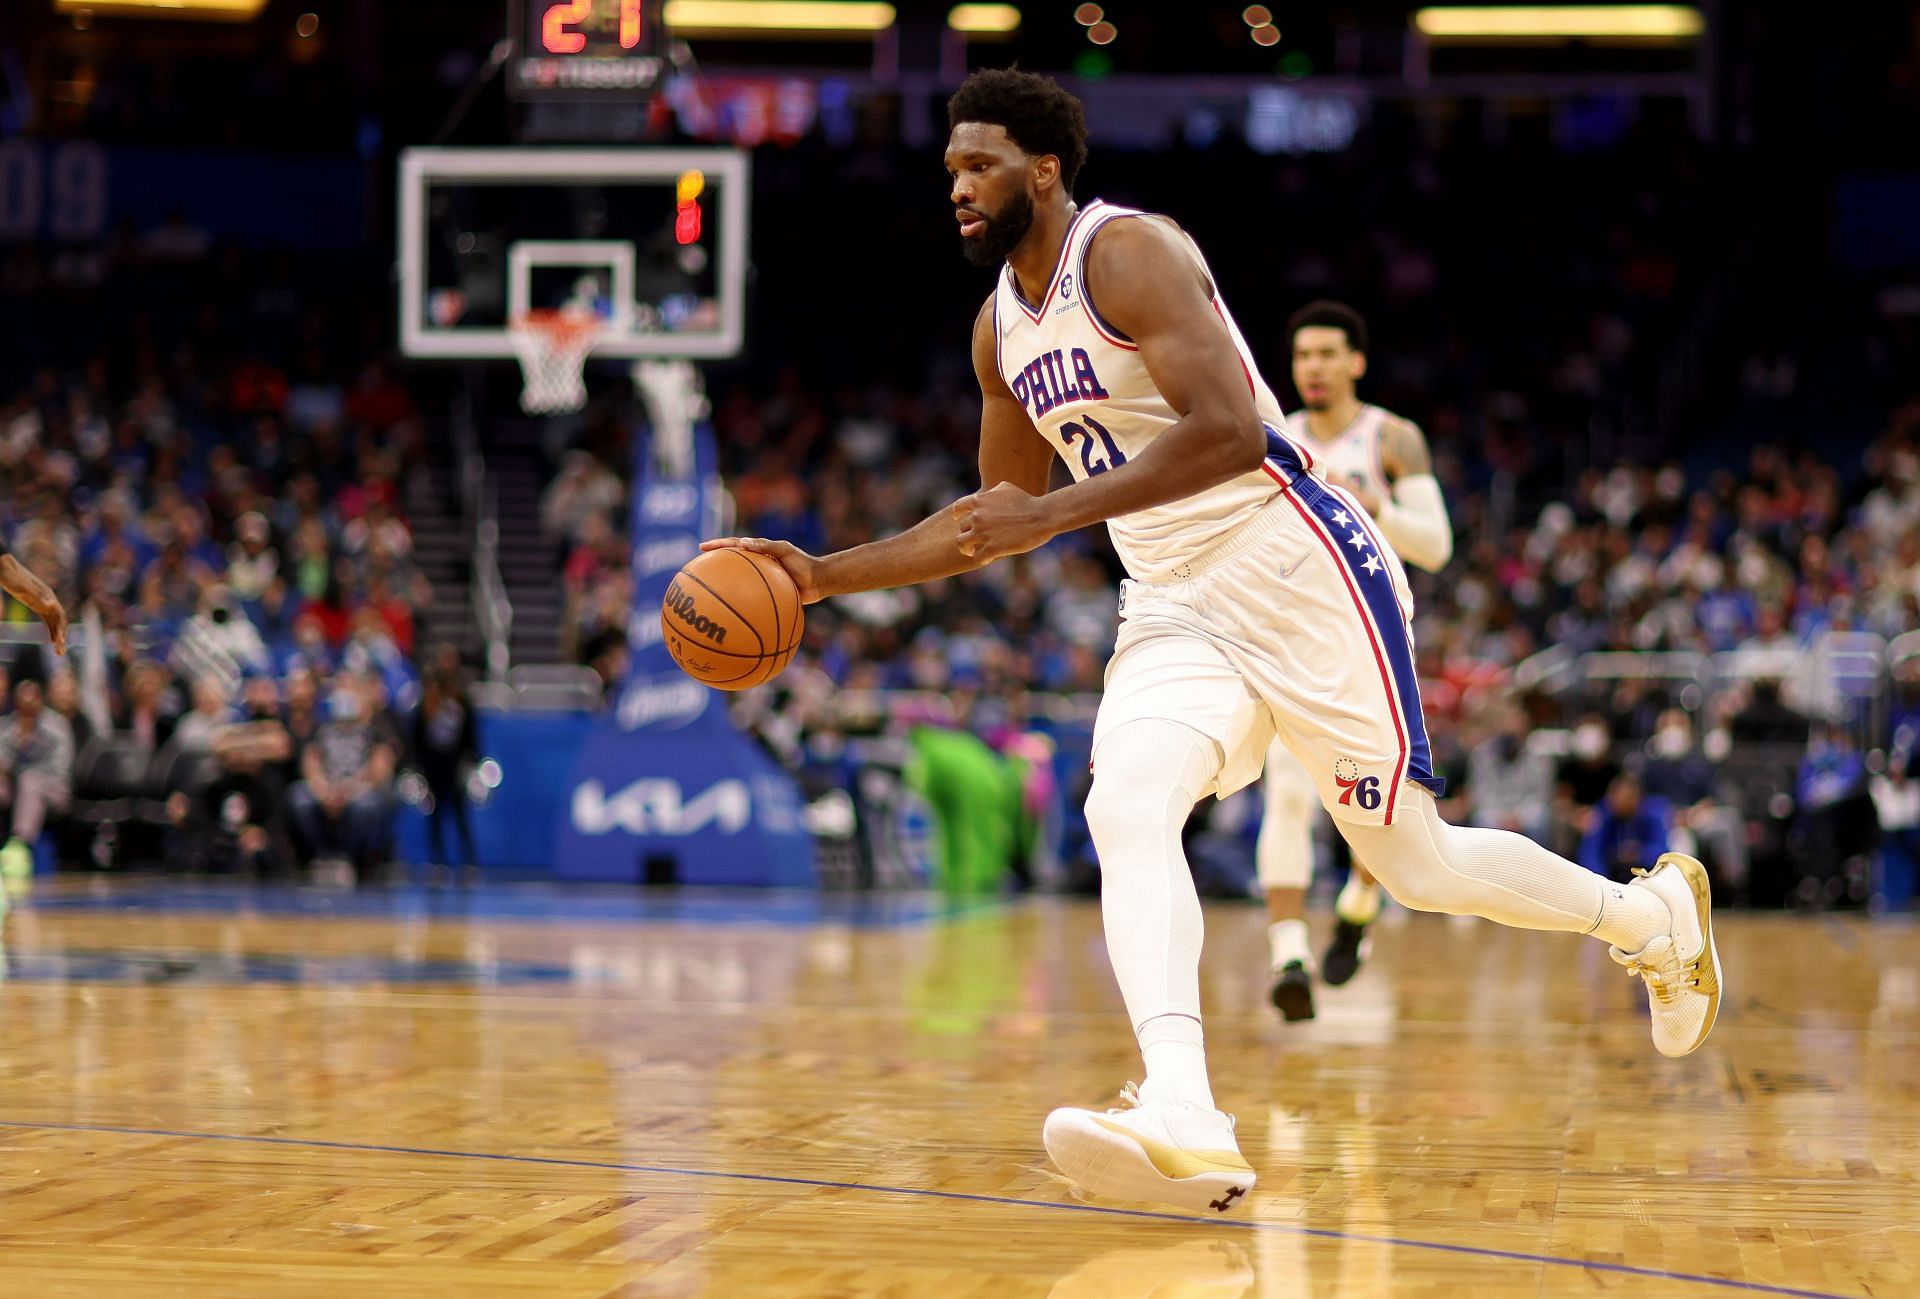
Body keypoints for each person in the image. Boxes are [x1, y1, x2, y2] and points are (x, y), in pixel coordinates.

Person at [705, 68, 1720, 1214]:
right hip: (1173, 598)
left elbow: (1233, 431)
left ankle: (1649, 919)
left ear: (1043, 168)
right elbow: (996, 514)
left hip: (1297, 565)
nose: (959, 187)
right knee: (1123, 806)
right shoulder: (999, 328)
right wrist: (823, 576)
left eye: (979, 164)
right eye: (948, 169)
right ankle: (1186, 1111)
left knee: (1412, 865)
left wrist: (1052, 512)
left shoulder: (1129, 252)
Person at [1255, 301, 1455, 1020]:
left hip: (1368, 644)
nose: (1312, 366)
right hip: (1288, 640)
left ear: (1355, 362)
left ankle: (1359, 903)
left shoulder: (1391, 437)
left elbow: (1436, 546)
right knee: (1284, 798)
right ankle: (1288, 956)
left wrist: (1378, 506)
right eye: (1302, 354)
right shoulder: (1272, 433)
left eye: (1326, 354)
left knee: (1373, 809)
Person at [0, 679, 75, 896]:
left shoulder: (58, 727)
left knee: (30, 780)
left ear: (41, 702)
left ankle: (19, 847)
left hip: (55, 791)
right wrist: (19, 742)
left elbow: (61, 770)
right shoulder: (8, 728)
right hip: (16, 790)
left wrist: (33, 746)